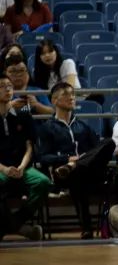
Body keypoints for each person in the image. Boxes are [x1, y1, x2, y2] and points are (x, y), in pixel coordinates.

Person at [35, 82, 115, 238]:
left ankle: (74, 166)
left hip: (86, 171)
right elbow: (43, 157)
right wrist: (66, 158)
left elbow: (97, 150)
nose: (71, 97)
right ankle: (87, 228)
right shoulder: (47, 128)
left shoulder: (83, 126)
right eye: (65, 94)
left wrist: (76, 162)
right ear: (54, 100)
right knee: (77, 177)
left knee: (109, 142)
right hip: (62, 175)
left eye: (72, 94)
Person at [0, 72, 46, 240]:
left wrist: (21, 167)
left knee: (42, 182)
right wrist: (4, 169)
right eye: (2, 86)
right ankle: (17, 227)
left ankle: (13, 223)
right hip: (1, 168)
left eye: (9, 86)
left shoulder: (23, 114)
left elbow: (29, 147)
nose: (7, 89)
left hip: (22, 167)